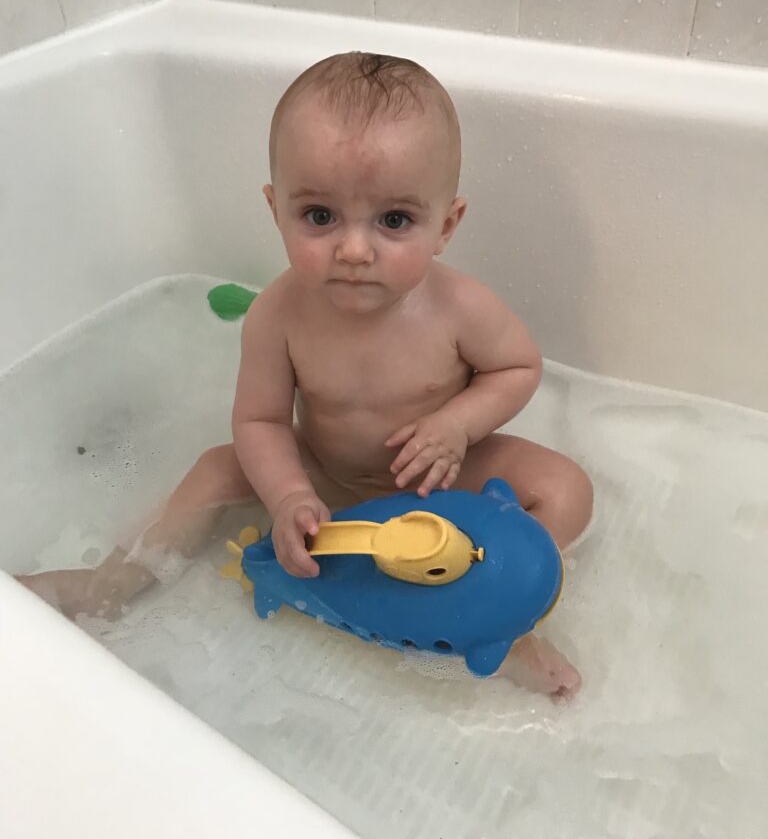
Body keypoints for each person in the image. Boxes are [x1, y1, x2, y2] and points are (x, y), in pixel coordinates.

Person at [20, 53, 593, 699]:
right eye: (320, 216)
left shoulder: (460, 308)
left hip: (440, 479)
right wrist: (291, 494)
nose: (353, 249)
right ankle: (108, 585)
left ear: (446, 225)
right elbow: (260, 421)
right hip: (328, 475)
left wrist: (456, 425)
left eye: (394, 220)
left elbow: (518, 368)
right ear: (276, 207)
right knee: (217, 468)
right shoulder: (277, 315)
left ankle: (495, 605)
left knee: (565, 487)